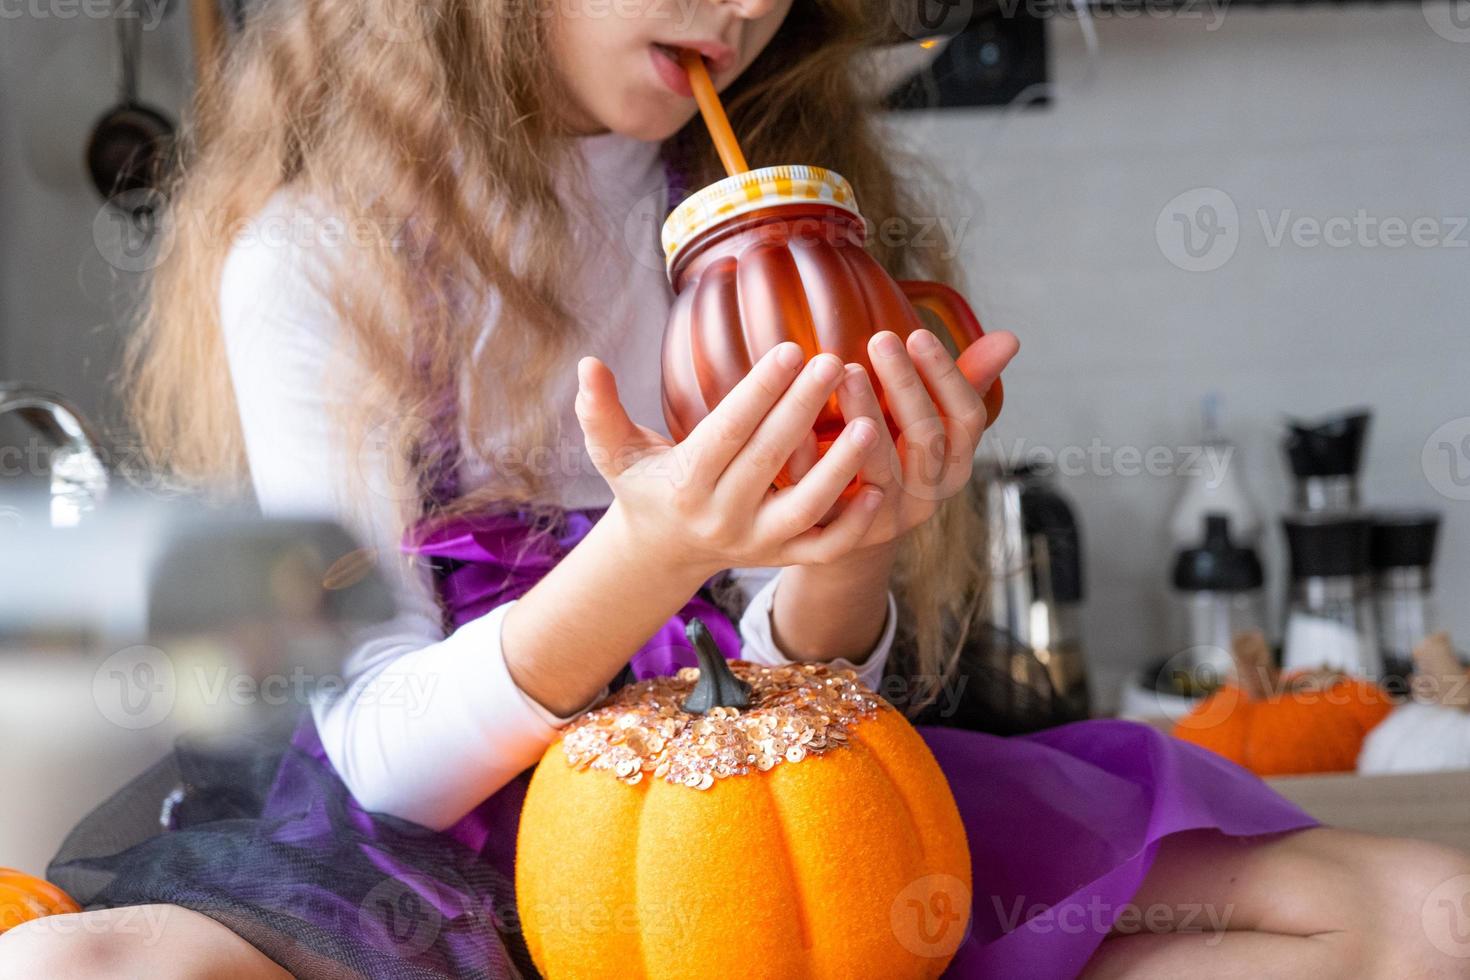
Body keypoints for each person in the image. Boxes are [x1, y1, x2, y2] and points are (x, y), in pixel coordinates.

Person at [4, 0, 1468, 977]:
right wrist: (648, 552)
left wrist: (849, 549)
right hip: (427, 869)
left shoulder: (772, 227)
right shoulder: (318, 265)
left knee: (1426, 916)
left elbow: (804, 685)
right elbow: (384, 758)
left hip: (771, 849)